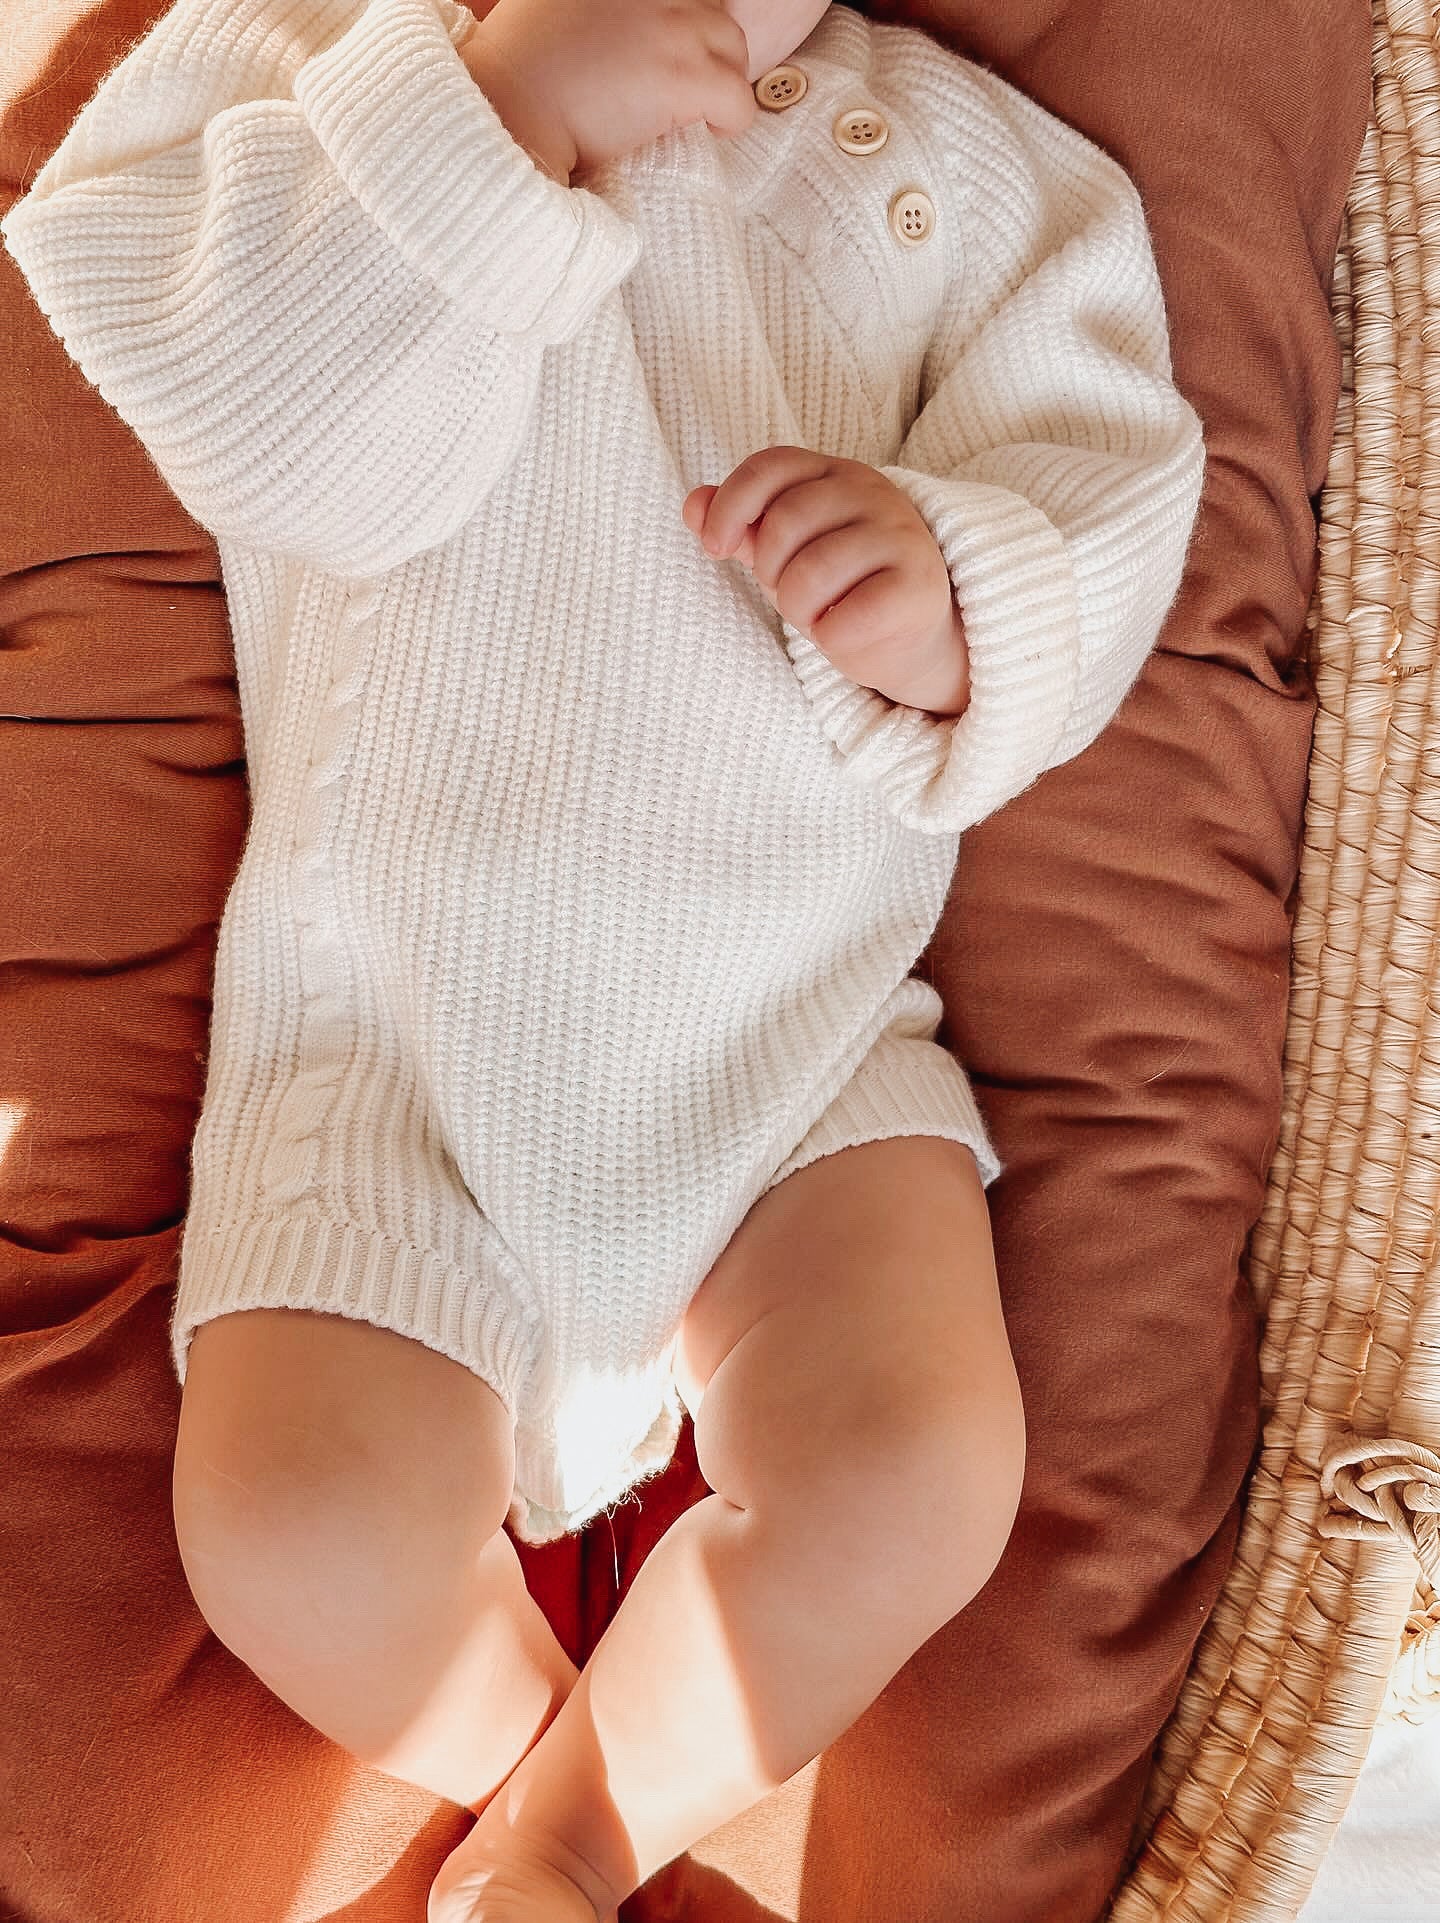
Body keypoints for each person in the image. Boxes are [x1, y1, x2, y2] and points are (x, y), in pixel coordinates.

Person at [0, 0, 1206, 1916]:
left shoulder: (973, 183)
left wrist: (949, 591)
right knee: (292, 1534)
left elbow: (1110, 494)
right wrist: (488, 113)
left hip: (798, 1047)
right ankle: (551, 1777)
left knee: (918, 1471)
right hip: (386, 1056)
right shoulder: (307, 56)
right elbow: (245, 417)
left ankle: (568, 1845)